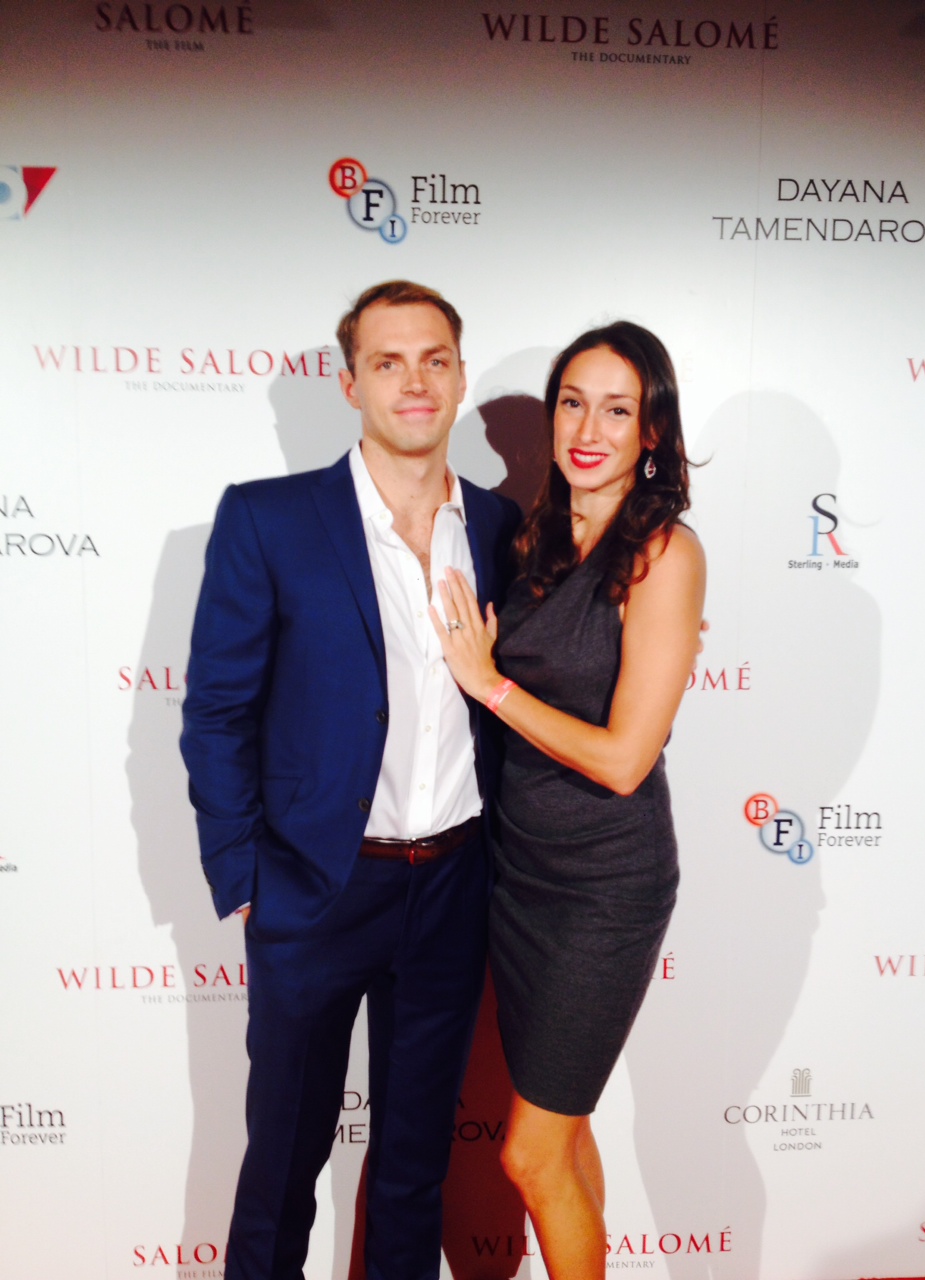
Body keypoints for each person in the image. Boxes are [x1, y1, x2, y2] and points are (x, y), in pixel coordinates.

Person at [179, 280, 520, 1280]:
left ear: (459, 375)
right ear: (349, 382)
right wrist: (244, 874)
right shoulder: (269, 520)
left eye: (434, 359)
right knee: (285, 1162)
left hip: (456, 887)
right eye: (388, 361)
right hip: (315, 890)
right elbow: (216, 712)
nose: (414, 381)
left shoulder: (504, 528)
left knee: (414, 1169)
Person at [431, 322, 706, 1280]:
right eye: (573, 402)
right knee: (568, 1136)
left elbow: (628, 759)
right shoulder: (534, 536)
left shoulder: (664, 555)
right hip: (520, 879)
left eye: (618, 408)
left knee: (527, 1152)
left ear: (653, 435)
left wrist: (490, 684)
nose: (589, 426)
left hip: (603, 889)